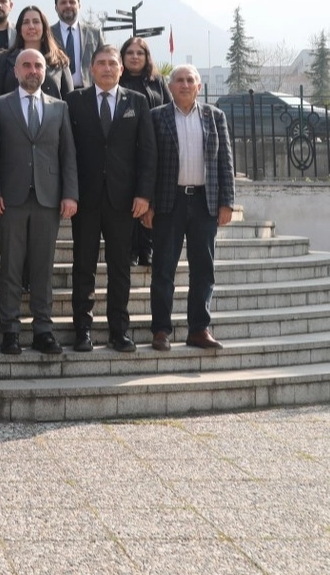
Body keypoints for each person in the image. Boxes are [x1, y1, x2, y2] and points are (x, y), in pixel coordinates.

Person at [66, 44, 156, 354]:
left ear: (121, 69)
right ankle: (82, 330)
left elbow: (147, 152)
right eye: (101, 63)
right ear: (91, 69)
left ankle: (119, 331)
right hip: (85, 199)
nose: (107, 68)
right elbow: (67, 151)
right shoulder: (74, 101)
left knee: (120, 267)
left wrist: (144, 194)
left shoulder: (137, 102)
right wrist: (69, 193)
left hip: (124, 200)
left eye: (112, 63)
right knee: (83, 266)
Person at [0, 49, 79, 355]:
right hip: (10, 199)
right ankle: (10, 331)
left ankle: (43, 330)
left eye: (38, 65)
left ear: (45, 71)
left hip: (47, 198)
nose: (32, 70)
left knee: (43, 268)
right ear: (16, 71)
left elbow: (68, 155)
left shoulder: (60, 107)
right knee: (10, 268)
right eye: (26, 65)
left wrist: (70, 193)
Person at [144, 65, 236, 352]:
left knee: (203, 269)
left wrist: (227, 202)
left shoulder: (215, 116)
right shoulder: (156, 116)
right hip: (168, 202)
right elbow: (148, 163)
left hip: (204, 202)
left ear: (199, 86)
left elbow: (225, 161)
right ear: (170, 87)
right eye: (179, 80)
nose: (184, 85)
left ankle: (199, 329)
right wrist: (148, 203)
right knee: (163, 269)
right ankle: (161, 330)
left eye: (190, 80)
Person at [119, 36, 169, 265]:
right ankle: (130, 249)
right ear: (122, 57)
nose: (135, 57)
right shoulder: (117, 81)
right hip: (126, 151)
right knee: (130, 200)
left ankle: (146, 249)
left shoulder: (157, 81)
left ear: (147, 57)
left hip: (154, 148)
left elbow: (169, 108)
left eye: (140, 53)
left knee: (150, 199)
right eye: (130, 53)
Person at [0, 6, 73, 100]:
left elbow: (69, 98)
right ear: (19, 29)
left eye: (36, 22)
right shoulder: (2, 59)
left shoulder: (58, 59)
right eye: (26, 22)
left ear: (44, 28)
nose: (31, 26)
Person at [51, 0, 104, 90]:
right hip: (58, 92)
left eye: (72, 2)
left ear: (79, 6)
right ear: (56, 8)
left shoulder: (94, 33)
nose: (68, 5)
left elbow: (103, 60)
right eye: (63, 3)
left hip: (87, 91)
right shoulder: (48, 34)